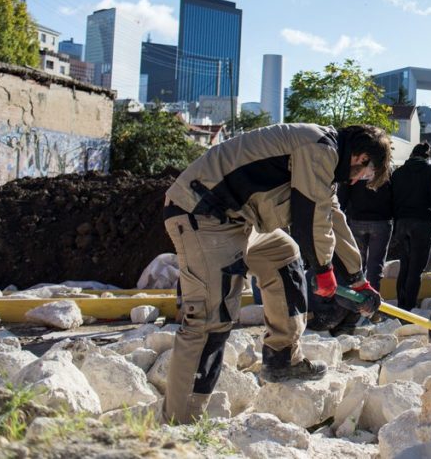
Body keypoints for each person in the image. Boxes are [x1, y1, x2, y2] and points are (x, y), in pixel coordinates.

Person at [161, 123, 391, 423]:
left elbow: (332, 218)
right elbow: (309, 218)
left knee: (283, 255)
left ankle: (282, 358)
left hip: (238, 220)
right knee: (209, 321)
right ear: (360, 157)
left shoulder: (327, 160)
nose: (361, 180)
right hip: (202, 213)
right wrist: (323, 270)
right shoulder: (319, 148)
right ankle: (181, 422)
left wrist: (358, 279)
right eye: (367, 173)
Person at [390, 142, 431, 311]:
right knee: (416, 268)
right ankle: (409, 308)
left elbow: (391, 199)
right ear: (426, 157)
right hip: (422, 223)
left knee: (405, 265)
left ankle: (401, 305)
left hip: (401, 223)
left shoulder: (398, 173)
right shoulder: (430, 170)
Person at [337, 177, 393, 292]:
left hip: (357, 220)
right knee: (376, 266)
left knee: (356, 264)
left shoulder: (358, 169)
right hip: (381, 221)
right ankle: (372, 301)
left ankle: (358, 300)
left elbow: (343, 196)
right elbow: (394, 195)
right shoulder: (385, 170)